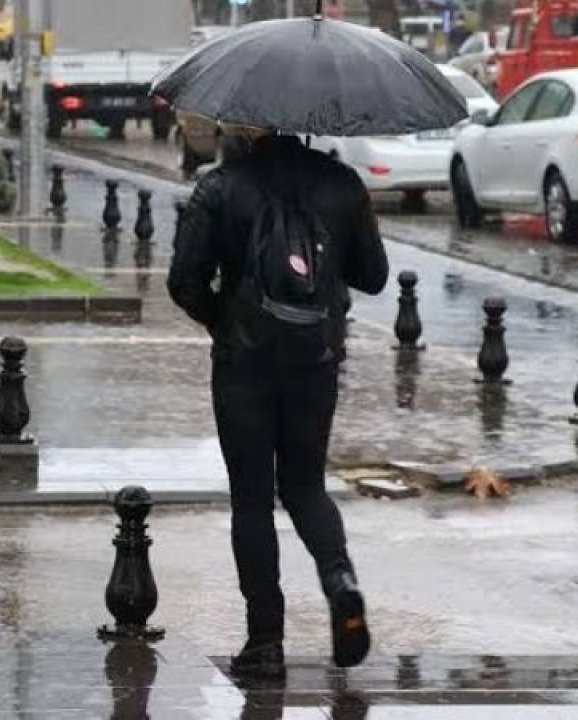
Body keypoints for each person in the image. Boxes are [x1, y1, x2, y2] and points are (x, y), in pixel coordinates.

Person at [168, 126, 389, 678]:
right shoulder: (341, 184)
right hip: (315, 361)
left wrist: (226, 320)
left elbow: (183, 282)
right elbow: (375, 275)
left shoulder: (220, 188)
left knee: (252, 499)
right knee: (306, 485)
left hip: (244, 366)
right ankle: (340, 580)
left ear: (244, 127)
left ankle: (265, 642)